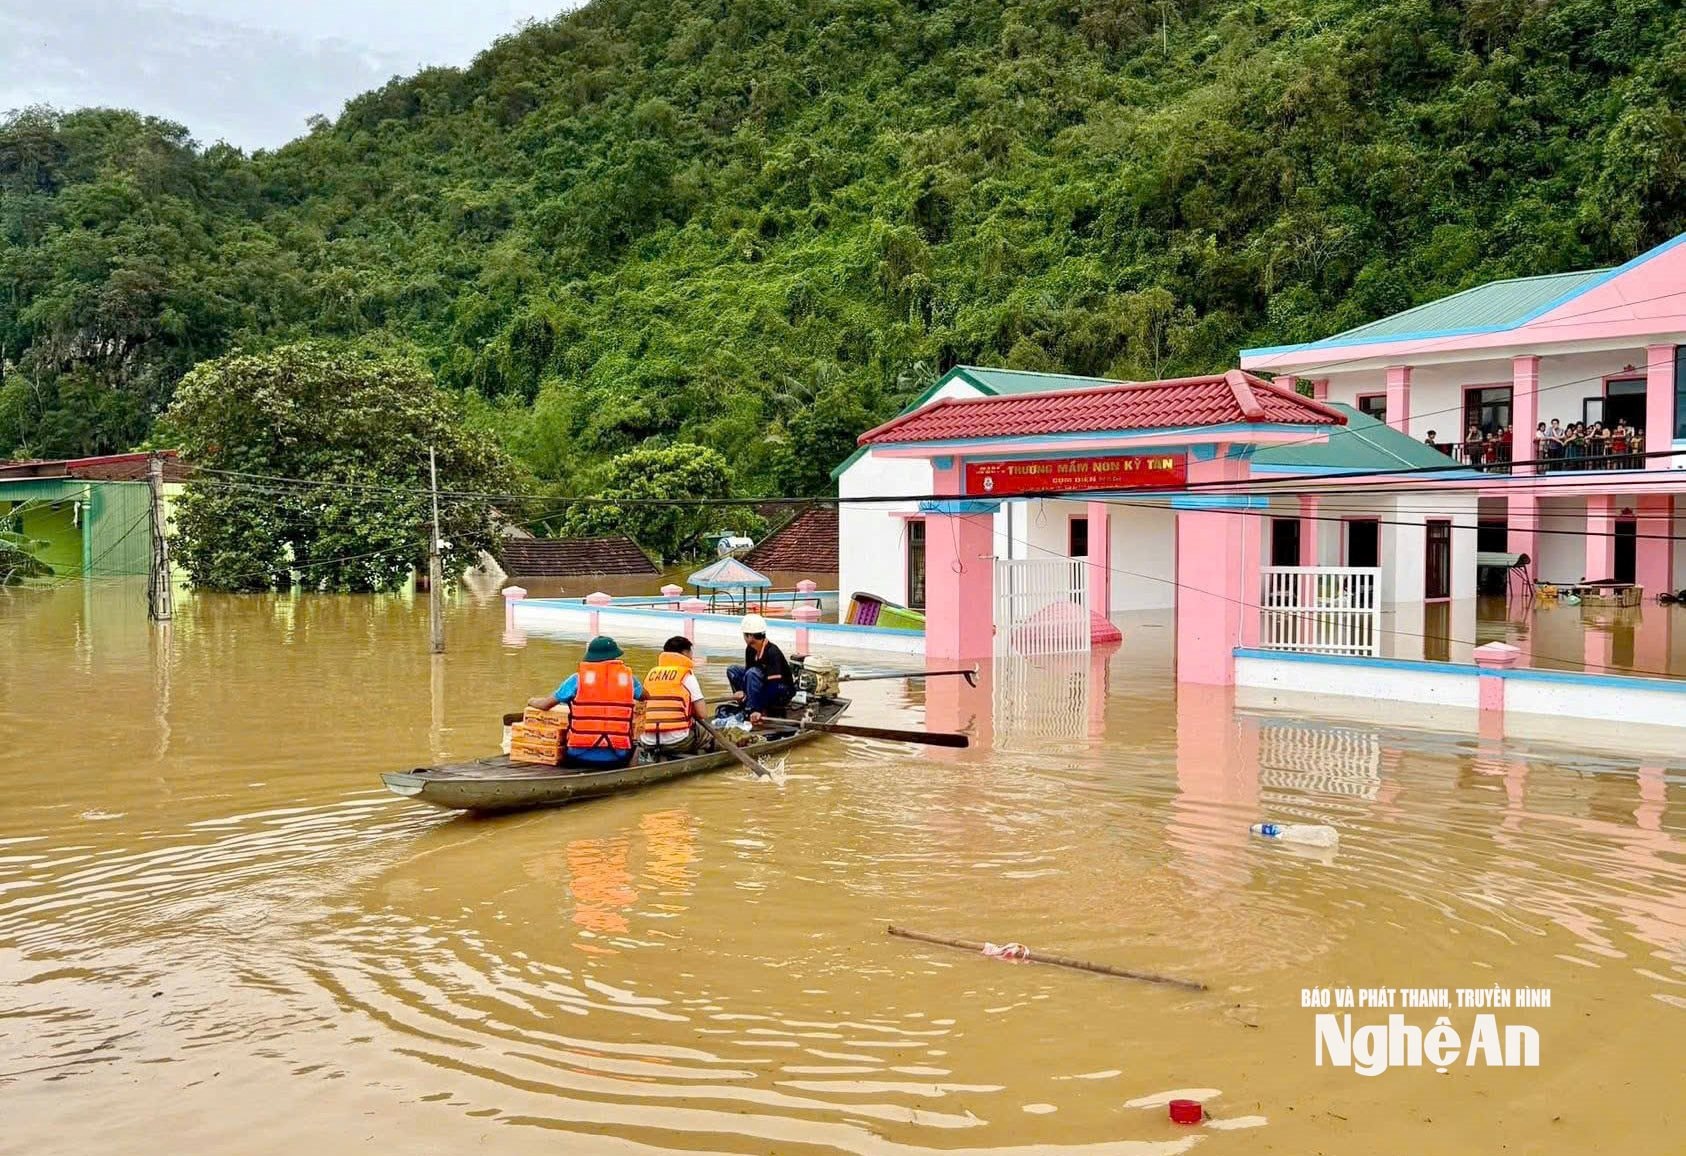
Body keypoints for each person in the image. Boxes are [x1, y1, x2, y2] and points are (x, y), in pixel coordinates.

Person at [528, 635, 646, 769]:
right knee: (641, 742)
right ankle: (631, 774)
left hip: (578, 756)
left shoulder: (577, 679)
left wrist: (531, 700)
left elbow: (545, 704)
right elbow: (646, 696)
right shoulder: (629, 679)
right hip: (617, 757)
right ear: (615, 657)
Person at [640, 636, 708, 757]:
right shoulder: (686, 675)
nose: (692, 656)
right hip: (677, 741)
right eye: (691, 652)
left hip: (647, 741)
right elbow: (702, 714)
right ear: (685, 653)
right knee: (707, 734)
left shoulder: (651, 674)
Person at [727, 613, 793, 723]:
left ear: (750, 636)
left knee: (752, 673)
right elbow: (747, 672)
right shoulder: (750, 649)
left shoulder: (772, 652)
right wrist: (740, 690)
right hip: (762, 684)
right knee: (733, 670)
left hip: (781, 690)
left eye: (744, 635)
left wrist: (758, 708)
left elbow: (774, 686)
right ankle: (745, 701)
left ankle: (754, 709)